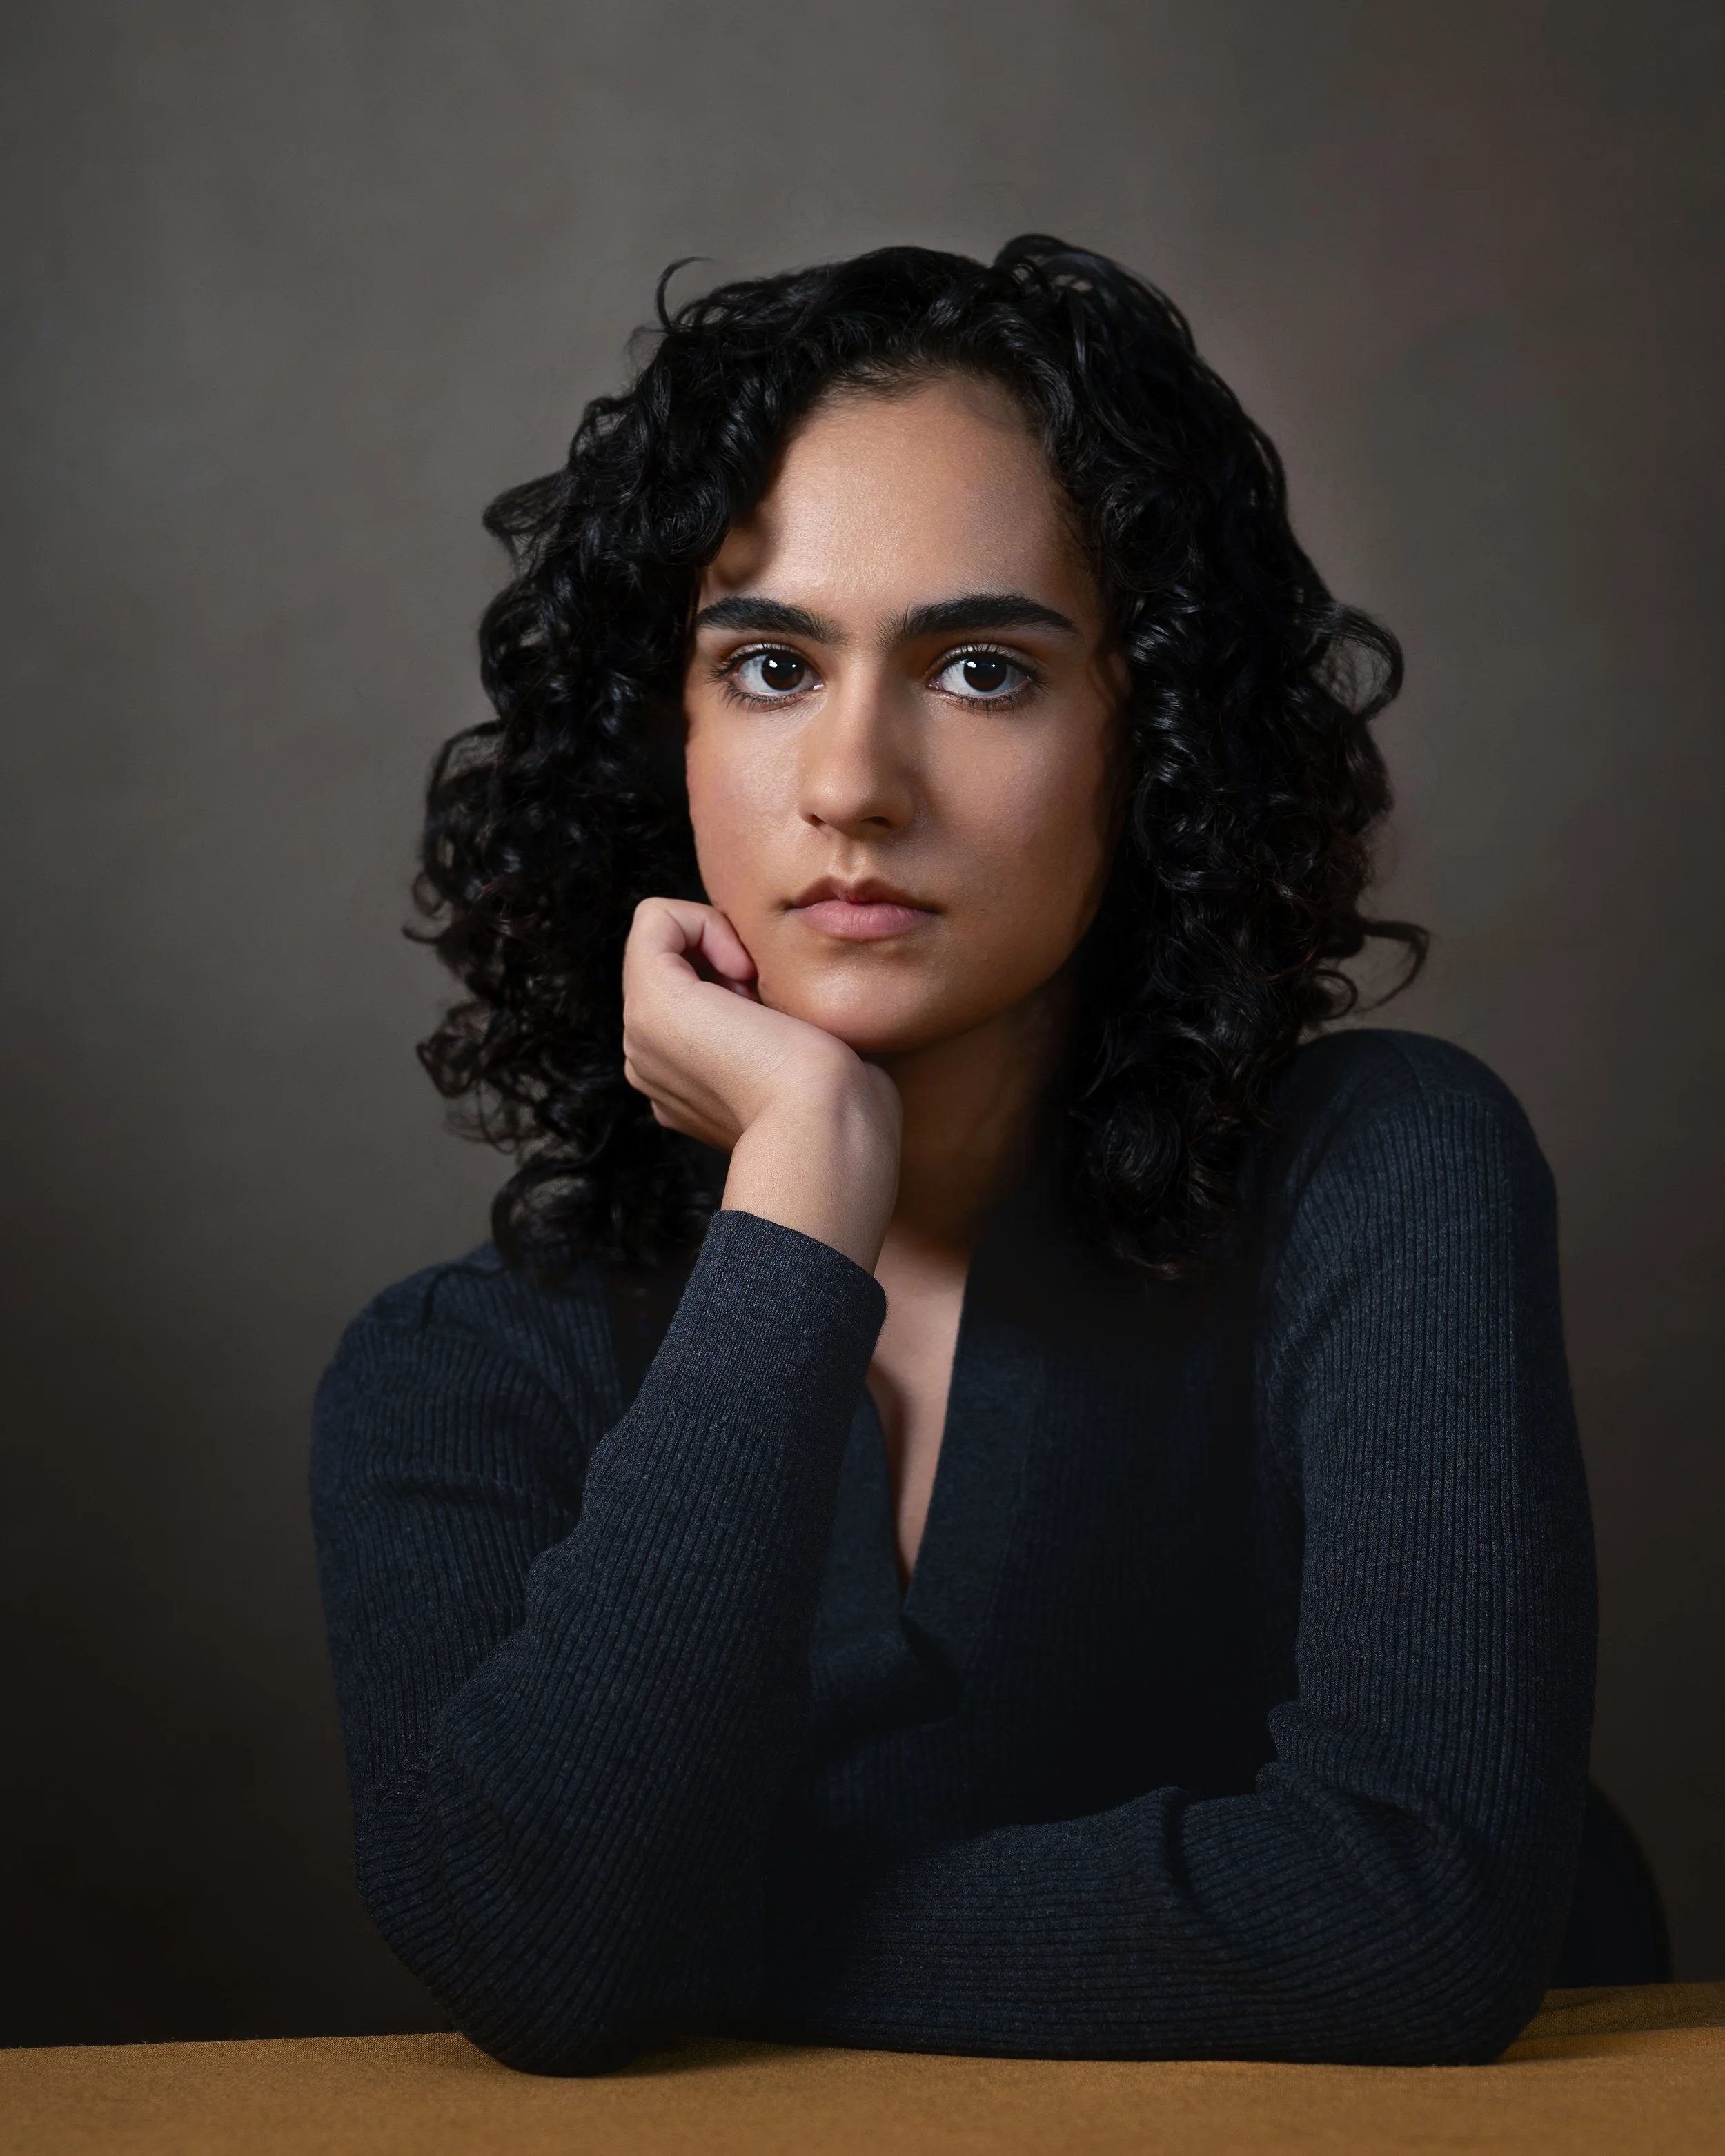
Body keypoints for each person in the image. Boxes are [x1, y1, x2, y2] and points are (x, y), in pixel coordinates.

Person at [310, 237, 1626, 2077]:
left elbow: (1407, 1915)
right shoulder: (453, 1371)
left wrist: (703, 1937)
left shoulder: (1381, 1168)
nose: (854, 780)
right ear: (658, 732)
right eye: (768, 664)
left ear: (1145, 740)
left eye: (983, 670)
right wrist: (800, 1192)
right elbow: (538, 1958)